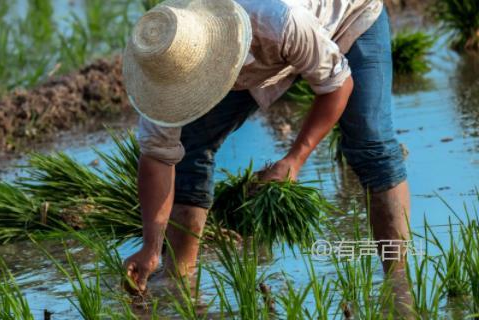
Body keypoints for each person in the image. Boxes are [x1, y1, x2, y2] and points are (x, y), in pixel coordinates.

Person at [121, 0, 412, 314]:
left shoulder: (278, 20)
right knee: (190, 145)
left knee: (371, 145)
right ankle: (179, 279)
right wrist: (151, 246)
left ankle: (398, 283)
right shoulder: (164, 64)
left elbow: (338, 86)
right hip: (268, 51)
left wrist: (294, 159)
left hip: (348, 17)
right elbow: (158, 158)